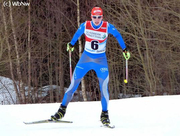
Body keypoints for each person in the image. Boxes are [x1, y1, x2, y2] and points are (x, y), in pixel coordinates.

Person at [51, 7, 130, 125]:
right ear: (91, 17)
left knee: (104, 87)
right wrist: (71, 44)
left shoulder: (107, 26)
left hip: (100, 60)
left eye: (99, 17)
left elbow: (117, 35)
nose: (97, 20)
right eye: (94, 17)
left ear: (102, 17)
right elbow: (77, 33)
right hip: (86, 59)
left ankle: (104, 114)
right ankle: (61, 110)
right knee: (73, 85)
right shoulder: (85, 25)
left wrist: (125, 49)